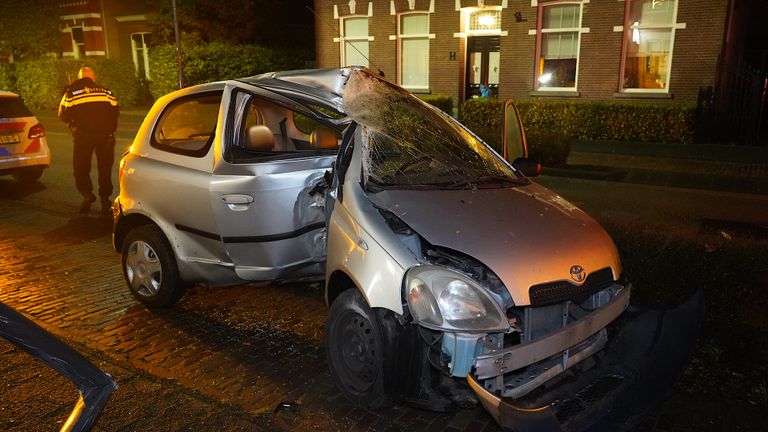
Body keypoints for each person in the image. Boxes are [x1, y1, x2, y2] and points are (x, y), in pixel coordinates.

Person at [58, 67, 119, 215]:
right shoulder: (106, 91)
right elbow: (116, 112)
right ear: (93, 77)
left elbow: (62, 114)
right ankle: (105, 200)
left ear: (79, 77)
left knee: (81, 168)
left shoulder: (71, 93)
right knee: (105, 169)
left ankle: (87, 195)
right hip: (106, 137)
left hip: (83, 137)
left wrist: (74, 124)